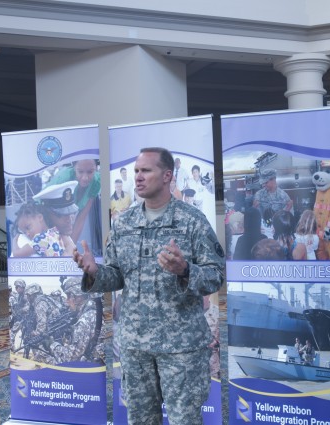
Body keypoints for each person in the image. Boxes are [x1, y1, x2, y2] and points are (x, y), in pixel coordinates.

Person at [73, 147, 225, 425]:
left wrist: (185, 270)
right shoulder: (124, 223)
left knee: (185, 420)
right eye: (136, 172)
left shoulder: (191, 221)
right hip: (135, 345)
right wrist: (94, 271)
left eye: (146, 171)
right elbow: (117, 276)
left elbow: (216, 276)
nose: (138, 178)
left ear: (167, 175)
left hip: (181, 346)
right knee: (141, 419)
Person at [47, 159, 102, 256]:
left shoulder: (97, 181)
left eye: (90, 172)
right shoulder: (63, 178)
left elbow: (81, 218)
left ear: (96, 168)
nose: (85, 178)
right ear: (74, 168)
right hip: (47, 217)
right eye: (80, 171)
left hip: (62, 223)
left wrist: (70, 250)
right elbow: (48, 213)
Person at [47, 278, 104, 365]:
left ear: (78, 297)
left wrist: (52, 344)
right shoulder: (95, 309)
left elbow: (70, 357)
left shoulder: (85, 320)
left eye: (69, 296)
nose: (67, 300)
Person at [34, 180, 82, 255]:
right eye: (62, 215)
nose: (69, 219)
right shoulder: (41, 242)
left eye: (71, 213)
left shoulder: (63, 236)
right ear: (47, 215)